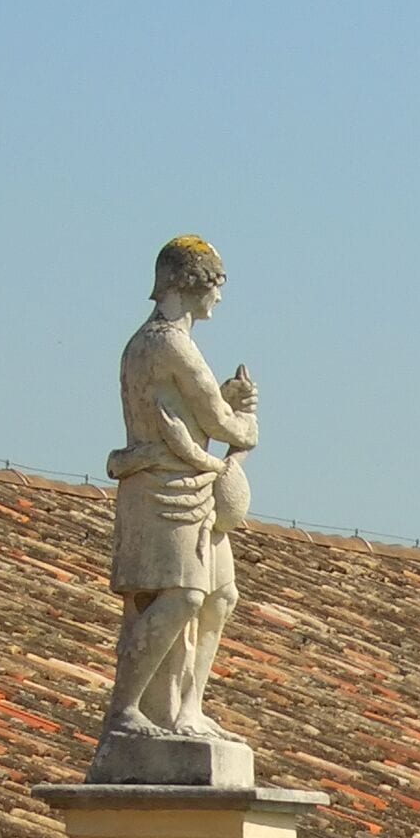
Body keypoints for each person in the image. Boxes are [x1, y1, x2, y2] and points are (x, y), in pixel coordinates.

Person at [102, 236, 258, 744]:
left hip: (193, 486)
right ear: (192, 283)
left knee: (219, 596)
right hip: (163, 490)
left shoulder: (170, 344)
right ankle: (125, 708)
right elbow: (215, 419)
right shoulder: (166, 342)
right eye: (217, 283)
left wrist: (226, 407)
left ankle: (186, 710)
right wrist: (245, 419)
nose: (220, 296)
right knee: (180, 595)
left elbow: (194, 414)